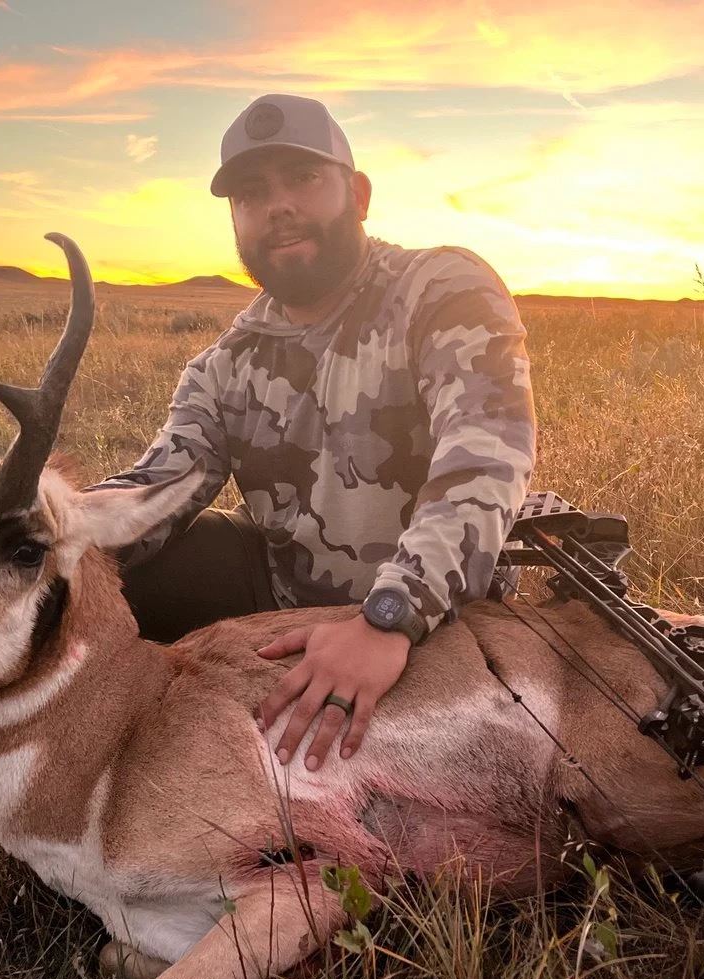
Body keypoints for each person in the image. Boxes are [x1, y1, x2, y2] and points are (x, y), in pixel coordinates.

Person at [91, 93, 535, 771]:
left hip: (441, 612)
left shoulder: (441, 289)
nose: (278, 207)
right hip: (287, 601)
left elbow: (485, 458)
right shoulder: (224, 365)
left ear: (357, 195)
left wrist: (390, 616)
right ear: (235, 220)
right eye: (251, 193)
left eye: (302, 178)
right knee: (100, 568)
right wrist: (31, 524)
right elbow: (154, 492)